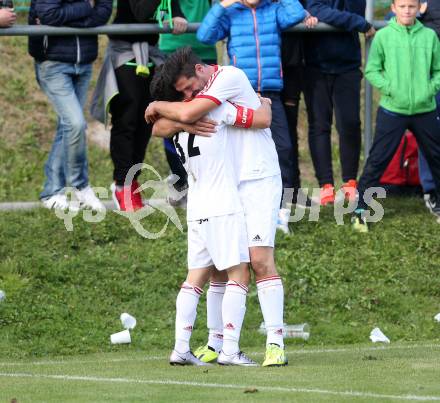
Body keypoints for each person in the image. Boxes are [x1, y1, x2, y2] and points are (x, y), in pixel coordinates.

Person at [145, 47, 288, 367]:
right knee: (221, 268)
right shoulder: (197, 101)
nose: (187, 94)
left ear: (201, 69)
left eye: (187, 87)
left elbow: (264, 117)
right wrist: (183, 119)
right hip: (227, 186)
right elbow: (161, 127)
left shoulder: (228, 77)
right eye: (181, 92)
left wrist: (158, 106)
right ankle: (216, 342)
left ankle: (275, 343)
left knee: (259, 259)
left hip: (259, 177)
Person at [196, 0, 317, 234]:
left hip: (271, 94)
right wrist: (223, 4)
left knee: (283, 148)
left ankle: (279, 212)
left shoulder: (272, 10)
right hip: (241, 93)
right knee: (240, 152)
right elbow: (204, 35)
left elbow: (295, 12)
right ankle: (239, 209)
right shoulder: (231, 13)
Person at [352, 0, 440, 232]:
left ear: (419, 8)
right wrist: (391, 88)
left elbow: (438, 70)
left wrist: (428, 90)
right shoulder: (383, 37)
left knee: (437, 157)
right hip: (393, 109)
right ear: (393, 8)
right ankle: (360, 211)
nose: (407, 10)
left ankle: (438, 204)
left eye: (411, 6)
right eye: (402, 6)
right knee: (378, 159)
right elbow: (372, 69)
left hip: (425, 109)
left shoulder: (429, 36)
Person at [91, 0, 187, 212]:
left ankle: (132, 182)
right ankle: (122, 185)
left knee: (146, 123)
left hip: (151, 54)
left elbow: (171, 10)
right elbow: (142, 12)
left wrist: (178, 15)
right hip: (125, 55)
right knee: (127, 120)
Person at [28, 0, 112, 211]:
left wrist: (70, 18)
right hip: (53, 62)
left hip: (83, 62)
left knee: (67, 126)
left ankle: (52, 191)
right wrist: (87, 6)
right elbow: (49, 15)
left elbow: (103, 13)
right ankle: (80, 185)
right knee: (75, 124)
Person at [303, 0, 375, 205]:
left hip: (347, 66)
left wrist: (350, 20)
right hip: (316, 64)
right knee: (319, 126)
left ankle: (350, 182)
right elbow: (316, 9)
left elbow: (354, 12)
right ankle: (326, 185)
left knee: (350, 124)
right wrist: (357, 23)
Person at [159, 0, 217, 202]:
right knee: (174, 119)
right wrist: (169, 15)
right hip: (172, 50)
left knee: (209, 120)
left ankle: (206, 182)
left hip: (204, 52)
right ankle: (179, 181)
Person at [418, 0, 440, 218]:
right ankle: (431, 189)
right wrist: (417, 13)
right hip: (431, 75)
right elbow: (394, 17)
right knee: (431, 132)